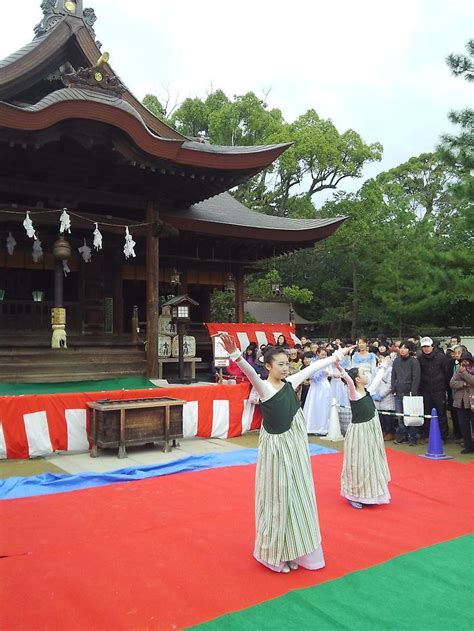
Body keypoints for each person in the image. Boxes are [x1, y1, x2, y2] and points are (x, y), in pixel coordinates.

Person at [220, 333, 353, 573]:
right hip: (277, 451)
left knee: (298, 497)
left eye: (287, 363)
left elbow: (314, 366)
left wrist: (337, 355)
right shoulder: (264, 388)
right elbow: (250, 372)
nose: (285, 367)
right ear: (268, 366)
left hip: (296, 450)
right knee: (278, 498)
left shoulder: (291, 383)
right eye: (280, 364)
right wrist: (235, 354)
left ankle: (295, 550)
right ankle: (274, 554)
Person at [337, 357, 391, 509]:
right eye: (363, 373)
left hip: (371, 432)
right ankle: (353, 494)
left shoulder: (367, 391)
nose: (367, 375)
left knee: (371, 462)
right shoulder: (353, 393)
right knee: (358, 463)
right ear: (358, 379)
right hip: (359, 434)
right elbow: (348, 381)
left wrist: (384, 365)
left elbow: (378, 378)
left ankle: (371, 492)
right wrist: (341, 369)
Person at [417, 336, 450, 441]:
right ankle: (427, 434)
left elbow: (446, 372)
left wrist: (444, 387)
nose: (425, 349)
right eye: (423, 347)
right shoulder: (420, 358)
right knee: (427, 413)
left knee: (441, 413)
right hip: (425, 390)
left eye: (427, 346)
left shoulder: (441, 357)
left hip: (439, 390)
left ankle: (443, 436)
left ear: (432, 346)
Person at [392, 341, 421, 446]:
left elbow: (416, 377)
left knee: (411, 416)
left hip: (409, 393)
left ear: (410, 350)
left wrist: (413, 391)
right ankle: (401, 435)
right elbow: (393, 375)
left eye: (405, 348)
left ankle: (412, 437)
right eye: (401, 347)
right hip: (398, 392)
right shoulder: (396, 361)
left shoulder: (414, 361)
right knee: (400, 416)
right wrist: (393, 387)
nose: (402, 350)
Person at [303, 348, 332, 435]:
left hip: (325, 386)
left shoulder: (328, 363)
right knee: (314, 405)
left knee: (324, 406)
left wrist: (327, 373)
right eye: (322, 354)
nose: (324, 356)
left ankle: (323, 428)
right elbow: (310, 374)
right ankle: (312, 427)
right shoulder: (313, 363)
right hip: (315, 386)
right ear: (317, 354)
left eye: (325, 355)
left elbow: (330, 372)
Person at [450, 351, 474, 454]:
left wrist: (464, 373)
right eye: (462, 361)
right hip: (460, 401)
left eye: (466, 361)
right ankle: (468, 445)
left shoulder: (464, 370)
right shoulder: (458, 370)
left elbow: (473, 381)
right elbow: (452, 383)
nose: (464, 363)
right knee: (463, 425)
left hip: (472, 400)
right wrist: (464, 383)